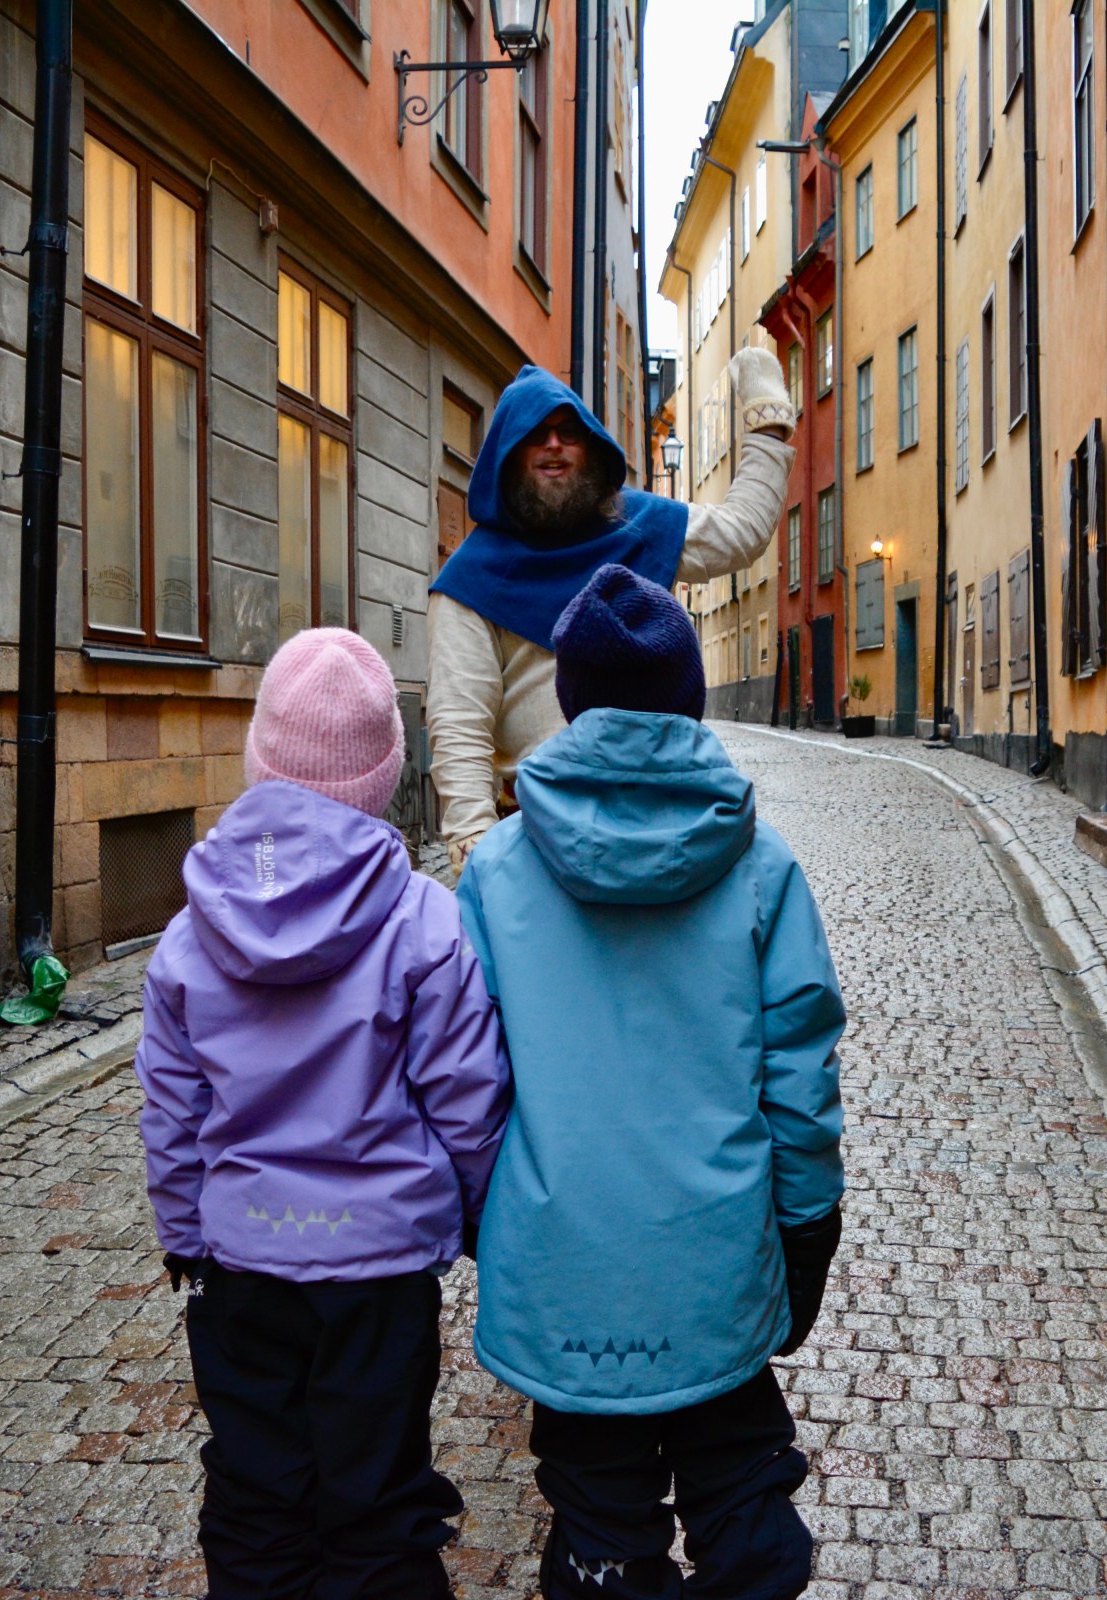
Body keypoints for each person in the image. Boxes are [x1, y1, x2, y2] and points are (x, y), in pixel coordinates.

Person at [457, 564, 848, 1600]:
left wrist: (480, 1221)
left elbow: (465, 1086)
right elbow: (800, 1081)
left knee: (599, 1528)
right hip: (714, 1262)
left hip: (567, 1268)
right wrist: (807, 1229)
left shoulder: (496, 875)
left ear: (571, 702)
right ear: (692, 700)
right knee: (744, 1497)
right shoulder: (761, 869)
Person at [134, 627, 511, 1600]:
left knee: (258, 1501)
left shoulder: (192, 929)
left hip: (241, 1269)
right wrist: (477, 1220)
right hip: (380, 1278)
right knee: (380, 1502)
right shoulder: (424, 922)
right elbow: (469, 1102)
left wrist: (184, 1230)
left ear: (262, 757)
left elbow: (172, 1109)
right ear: (386, 774)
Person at [428, 350, 795, 874]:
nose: (552, 444)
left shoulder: (636, 526)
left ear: (593, 450)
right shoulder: (470, 582)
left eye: (567, 432)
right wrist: (478, 862)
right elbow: (460, 728)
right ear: (507, 455)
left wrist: (767, 419)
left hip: (662, 823)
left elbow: (740, 533)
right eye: (535, 433)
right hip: (538, 842)